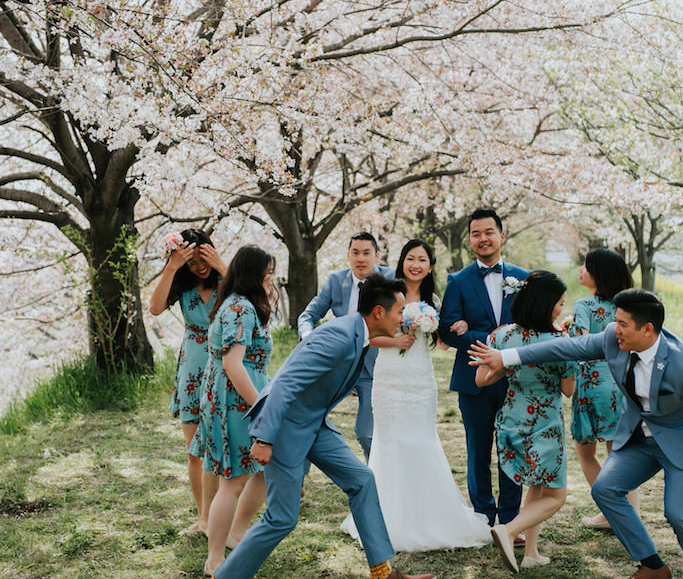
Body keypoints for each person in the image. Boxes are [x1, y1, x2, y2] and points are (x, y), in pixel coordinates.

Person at [469, 289, 683, 579]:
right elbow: (565, 348)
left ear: (647, 329)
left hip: (681, 442)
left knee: (678, 514)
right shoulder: (614, 337)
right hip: (638, 439)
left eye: (623, 324)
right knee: (604, 489)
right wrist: (507, 357)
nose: (614, 329)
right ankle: (652, 566)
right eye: (615, 321)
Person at [210, 273, 434, 579]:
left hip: (313, 424)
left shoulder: (360, 335)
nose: (402, 318)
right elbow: (286, 383)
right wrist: (263, 437)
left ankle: (383, 574)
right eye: (399, 312)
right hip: (286, 427)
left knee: (362, 481)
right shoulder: (338, 336)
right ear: (378, 313)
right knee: (281, 519)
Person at [341, 239, 491, 551]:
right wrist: (396, 342)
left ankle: (430, 515)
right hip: (389, 377)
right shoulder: (384, 291)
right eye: (411, 258)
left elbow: (445, 340)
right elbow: (365, 336)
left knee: (423, 441)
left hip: (420, 379)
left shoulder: (434, 299)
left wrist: (458, 325)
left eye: (422, 260)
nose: (416, 265)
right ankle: (388, 517)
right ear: (402, 262)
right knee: (390, 443)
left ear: (430, 266)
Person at [476, 271, 574, 572]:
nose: (561, 309)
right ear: (545, 305)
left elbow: (481, 379)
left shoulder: (501, 335)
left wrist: (511, 364)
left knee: (537, 486)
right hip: (543, 424)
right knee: (555, 496)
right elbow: (568, 390)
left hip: (510, 421)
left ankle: (531, 552)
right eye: (559, 303)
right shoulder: (559, 342)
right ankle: (509, 530)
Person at [438, 209, 529, 528]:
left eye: (489, 232)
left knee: (511, 448)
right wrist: (490, 338)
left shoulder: (525, 278)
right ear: (469, 241)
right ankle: (482, 516)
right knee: (477, 451)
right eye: (476, 233)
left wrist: (486, 336)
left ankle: (510, 517)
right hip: (472, 378)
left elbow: (533, 326)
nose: (483, 238)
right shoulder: (458, 281)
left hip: (514, 379)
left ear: (502, 236)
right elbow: (447, 330)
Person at [190, 245, 276, 576]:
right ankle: (214, 557)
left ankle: (236, 532)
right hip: (235, 401)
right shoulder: (240, 309)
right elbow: (233, 364)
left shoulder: (241, 304)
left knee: (264, 468)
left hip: (234, 396)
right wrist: (261, 407)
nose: (271, 277)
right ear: (253, 274)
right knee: (233, 480)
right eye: (267, 272)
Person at [148, 228, 226, 535]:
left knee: (224, 445)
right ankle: (204, 517)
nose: (199, 266)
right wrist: (171, 267)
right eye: (191, 261)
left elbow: (253, 298)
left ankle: (223, 513)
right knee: (195, 451)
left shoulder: (226, 279)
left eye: (202, 257)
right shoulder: (181, 285)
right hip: (193, 369)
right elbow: (154, 308)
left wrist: (221, 265)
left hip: (225, 366)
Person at [298, 232, 396, 461]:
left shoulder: (391, 279)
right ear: (348, 255)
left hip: (373, 368)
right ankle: (298, 476)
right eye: (355, 253)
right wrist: (308, 336)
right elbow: (308, 315)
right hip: (337, 364)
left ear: (377, 256)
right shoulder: (335, 281)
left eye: (366, 253)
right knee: (307, 418)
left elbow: (419, 304)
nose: (360, 259)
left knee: (365, 433)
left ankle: (376, 479)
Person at [570, 249, 639, 530]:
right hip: (624, 384)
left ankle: (612, 511)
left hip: (593, 384)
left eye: (585, 266)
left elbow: (582, 344)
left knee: (585, 452)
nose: (580, 270)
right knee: (620, 455)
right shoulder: (629, 305)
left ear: (598, 273)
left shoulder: (583, 305)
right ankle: (628, 514)